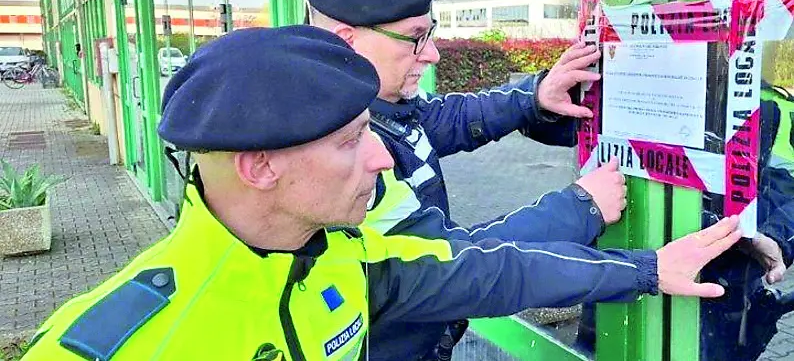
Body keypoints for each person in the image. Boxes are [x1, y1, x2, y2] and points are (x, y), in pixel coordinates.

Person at [22, 26, 742, 361]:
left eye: (372, 130)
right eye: (347, 141)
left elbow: (489, 271)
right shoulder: (123, 345)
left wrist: (646, 269)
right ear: (259, 166)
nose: (379, 157)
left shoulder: (345, 258)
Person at [305, 0, 631, 359]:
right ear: (346, 42)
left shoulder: (378, 106)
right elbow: (454, 263)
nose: (433, 53)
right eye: (413, 39)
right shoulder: (341, 152)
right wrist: (582, 207)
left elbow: (447, 118)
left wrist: (535, 96)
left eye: (431, 32)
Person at [576, 56, 794, 361]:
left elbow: (781, 182)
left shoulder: (765, 105)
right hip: (621, 277)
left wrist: (767, 234)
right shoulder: (627, 84)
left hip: (715, 294)